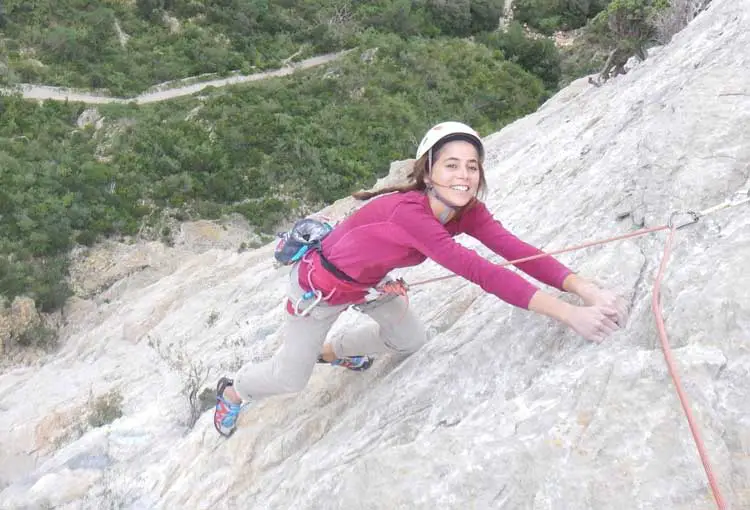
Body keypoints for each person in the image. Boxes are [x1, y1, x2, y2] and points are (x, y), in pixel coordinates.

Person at [213, 121, 628, 437]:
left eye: (471, 167)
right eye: (451, 166)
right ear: (428, 173)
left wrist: (586, 290)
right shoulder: (409, 212)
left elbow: (516, 252)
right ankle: (233, 390)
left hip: (369, 283)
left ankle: (331, 352)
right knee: (290, 377)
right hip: (319, 290)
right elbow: (479, 270)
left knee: (412, 341)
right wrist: (568, 315)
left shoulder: (466, 211)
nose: (464, 176)